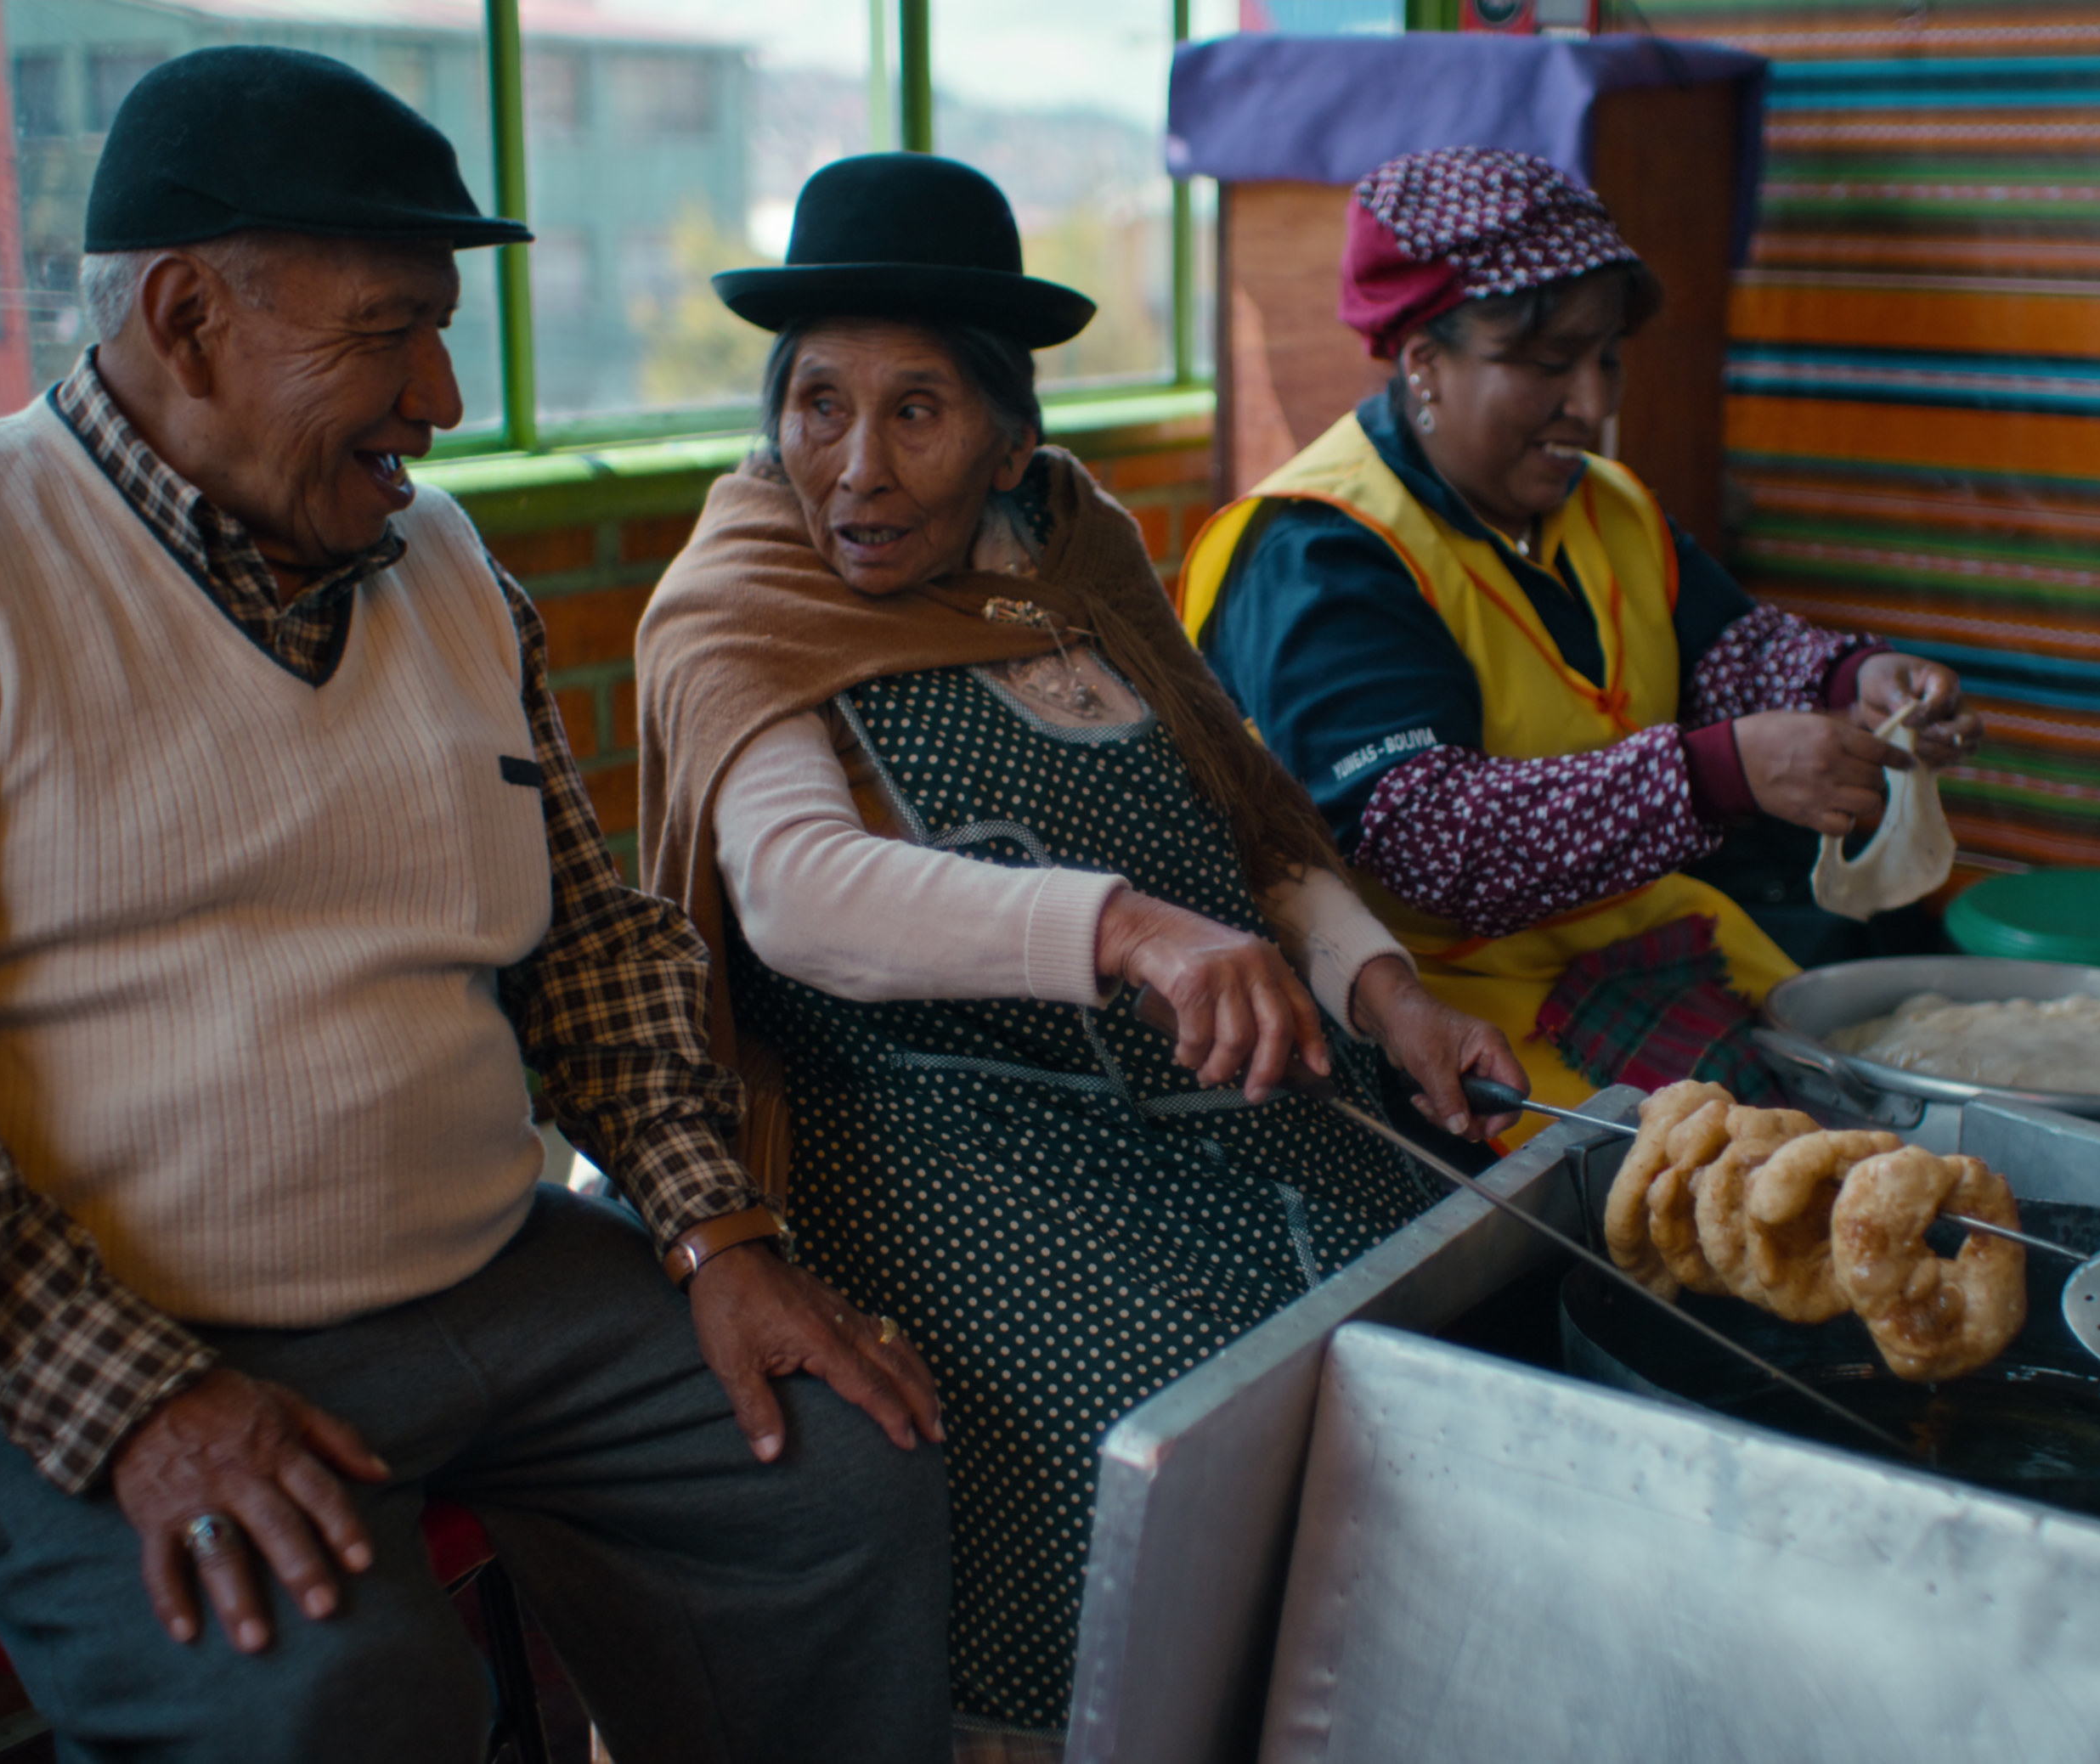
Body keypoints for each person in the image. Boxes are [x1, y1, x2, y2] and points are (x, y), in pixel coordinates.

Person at [0, 49, 949, 1764]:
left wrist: (715, 1230)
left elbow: (590, 949)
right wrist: (143, 1402)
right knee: (343, 1691)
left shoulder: (446, 562)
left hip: (485, 1266)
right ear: (185, 319)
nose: (446, 397)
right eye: (390, 329)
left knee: (842, 1468)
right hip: (99, 1327)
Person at [635, 152, 1527, 1755]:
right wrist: (1120, 929)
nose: (857, 465)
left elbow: (1251, 824)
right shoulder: (742, 592)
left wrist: (1386, 989)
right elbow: (792, 888)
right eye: (818, 402)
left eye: (918, 411)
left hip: (1217, 1115)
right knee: (1176, 1419)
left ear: (1009, 435)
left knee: (1459, 1329)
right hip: (941, 1143)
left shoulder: (1077, 556)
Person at [1185, 146, 1984, 1124]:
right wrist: (1714, 774)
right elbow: (1425, 840)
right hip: (1434, 1017)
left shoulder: (1601, 507)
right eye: (1547, 363)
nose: (1596, 407)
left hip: (1637, 944)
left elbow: (1726, 652)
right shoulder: (1321, 552)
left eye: (1606, 358)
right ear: (1423, 359)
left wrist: (1851, 683)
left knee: (1878, 1110)